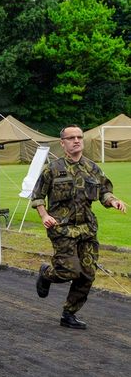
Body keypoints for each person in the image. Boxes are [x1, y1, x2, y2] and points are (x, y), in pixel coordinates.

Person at [31, 124, 126, 330]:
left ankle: (69, 314)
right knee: (68, 271)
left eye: (79, 137)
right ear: (63, 143)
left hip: (87, 229)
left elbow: (104, 192)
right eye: (71, 138)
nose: (76, 140)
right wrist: (44, 215)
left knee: (87, 273)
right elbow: (37, 196)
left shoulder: (92, 168)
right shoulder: (53, 169)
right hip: (61, 228)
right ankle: (46, 274)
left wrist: (113, 201)